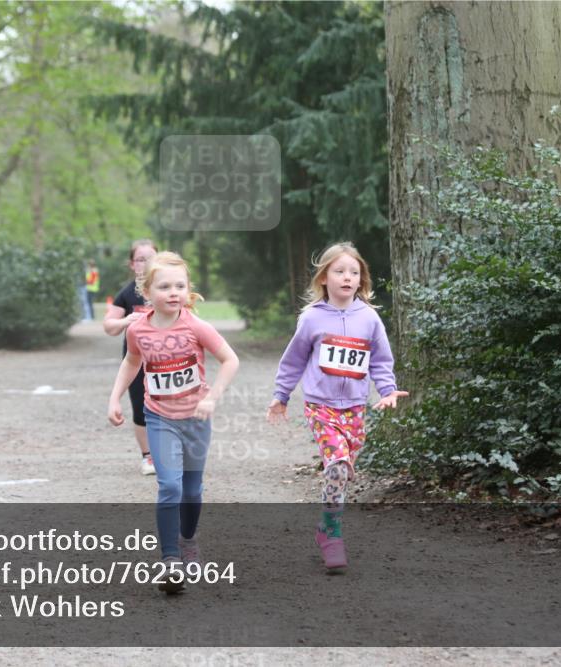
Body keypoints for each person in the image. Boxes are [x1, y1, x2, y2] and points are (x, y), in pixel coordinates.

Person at [267, 242, 409, 572]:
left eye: (354, 272)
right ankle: (332, 536)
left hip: (355, 408)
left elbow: (381, 360)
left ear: (362, 280)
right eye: (339, 271)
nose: (347, 277)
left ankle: (324, 524)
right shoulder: (312, 319)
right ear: (324, 278)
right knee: (336, 465)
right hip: (321, 406)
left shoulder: (370, 319)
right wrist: (281, 395)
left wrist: (386, 389)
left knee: (343, 471)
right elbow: (294, 360)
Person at [107, 251, 239, 594]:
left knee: (192, 490)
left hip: (196, 418)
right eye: (164, 286)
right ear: (147, 292)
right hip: (159, 416)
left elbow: (229, 359)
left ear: (188, 289)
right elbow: (131, 362)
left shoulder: (196, 325)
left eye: (180, 285)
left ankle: (188, 540)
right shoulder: (138, 329)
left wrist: (212, 397)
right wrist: (114, 397)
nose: (173, 292)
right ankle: (170, 562)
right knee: (170, 486)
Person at [103, 239, 159, 475]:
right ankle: (148, 457)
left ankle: (173, 452)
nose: (146, 264)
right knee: (141, 407)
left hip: (167, 360)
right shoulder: (127, 293)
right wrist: (126, 321)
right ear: (131, 264)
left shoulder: (167, 287)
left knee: (172, 405)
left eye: (151, 258)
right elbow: (109, 325)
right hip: (137, 362)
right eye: (141, 259)